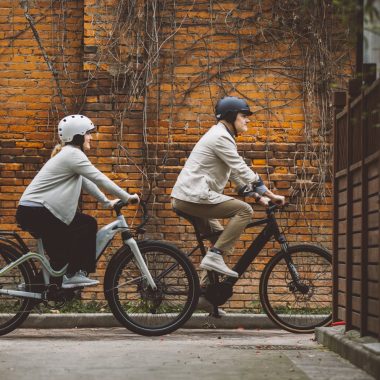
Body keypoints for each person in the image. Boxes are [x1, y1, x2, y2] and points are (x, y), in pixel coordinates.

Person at [171, 96, 285, 312]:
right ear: (231, 117)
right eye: (244, 116)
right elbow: (241, 168)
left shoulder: (222, 136)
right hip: (192, 197)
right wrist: (270, 193)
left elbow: (235, 174)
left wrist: (260, 197)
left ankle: (204, 296)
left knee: (223, 242)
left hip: (194, 197)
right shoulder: (220, 137)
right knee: (244, 211)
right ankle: (213, 257)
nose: (247, 121)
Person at [16, 115, 139, 289]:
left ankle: (38, 285)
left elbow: (86, 181)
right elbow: (100, 178)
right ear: (78, 135)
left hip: (34, 211)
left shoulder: (70, 155)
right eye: (88, 133)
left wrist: (106, 202)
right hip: (37, 211)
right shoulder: (73, 154)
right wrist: (127, 197)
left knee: (63, 253)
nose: (91, 137)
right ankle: (74, 274)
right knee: (86, 225)